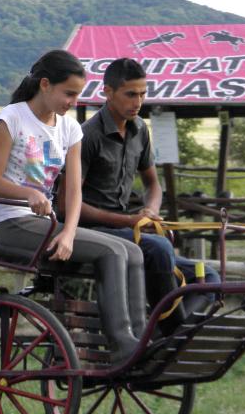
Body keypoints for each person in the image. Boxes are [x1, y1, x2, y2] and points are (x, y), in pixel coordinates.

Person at [0, 49, 146, 363]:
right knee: (113, 251)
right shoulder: (14, 118)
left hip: (48, 226)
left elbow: (74, 192)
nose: (73, 101)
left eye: (78, 95)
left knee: (135, 251)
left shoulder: (70, 129)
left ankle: (139, 339)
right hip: (14, 224)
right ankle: (122, 345)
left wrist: (70, 233)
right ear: (45, 85)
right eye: (68, 93)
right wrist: (27, 194)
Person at [58, 57, 220, 336]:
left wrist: (150, 211)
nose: (138, 102)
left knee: (209, 277)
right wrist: (128, 219)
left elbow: (153, 185)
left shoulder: (140, 131)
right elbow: (65, 205)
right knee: (159, 248)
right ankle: (171, 335)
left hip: (125, 229)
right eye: (130, 94)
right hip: (89, 231)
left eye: (143, 94)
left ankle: (162, 336)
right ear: (108, 92)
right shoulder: (88, 136)